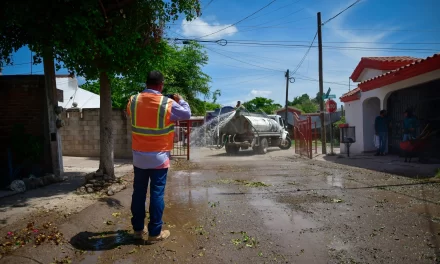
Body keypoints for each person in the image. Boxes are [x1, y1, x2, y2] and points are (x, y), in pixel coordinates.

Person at [126, 71, 191, 241]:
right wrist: (180, 99)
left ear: (146, 83)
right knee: (156, 193)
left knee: (138, 193)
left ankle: (138, 230)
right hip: (159, 157)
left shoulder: (133, 101)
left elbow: (131, 114)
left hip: (139, 156)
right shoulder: (167, 103)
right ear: (161, 85)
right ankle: (155, 233)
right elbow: (186, 114)